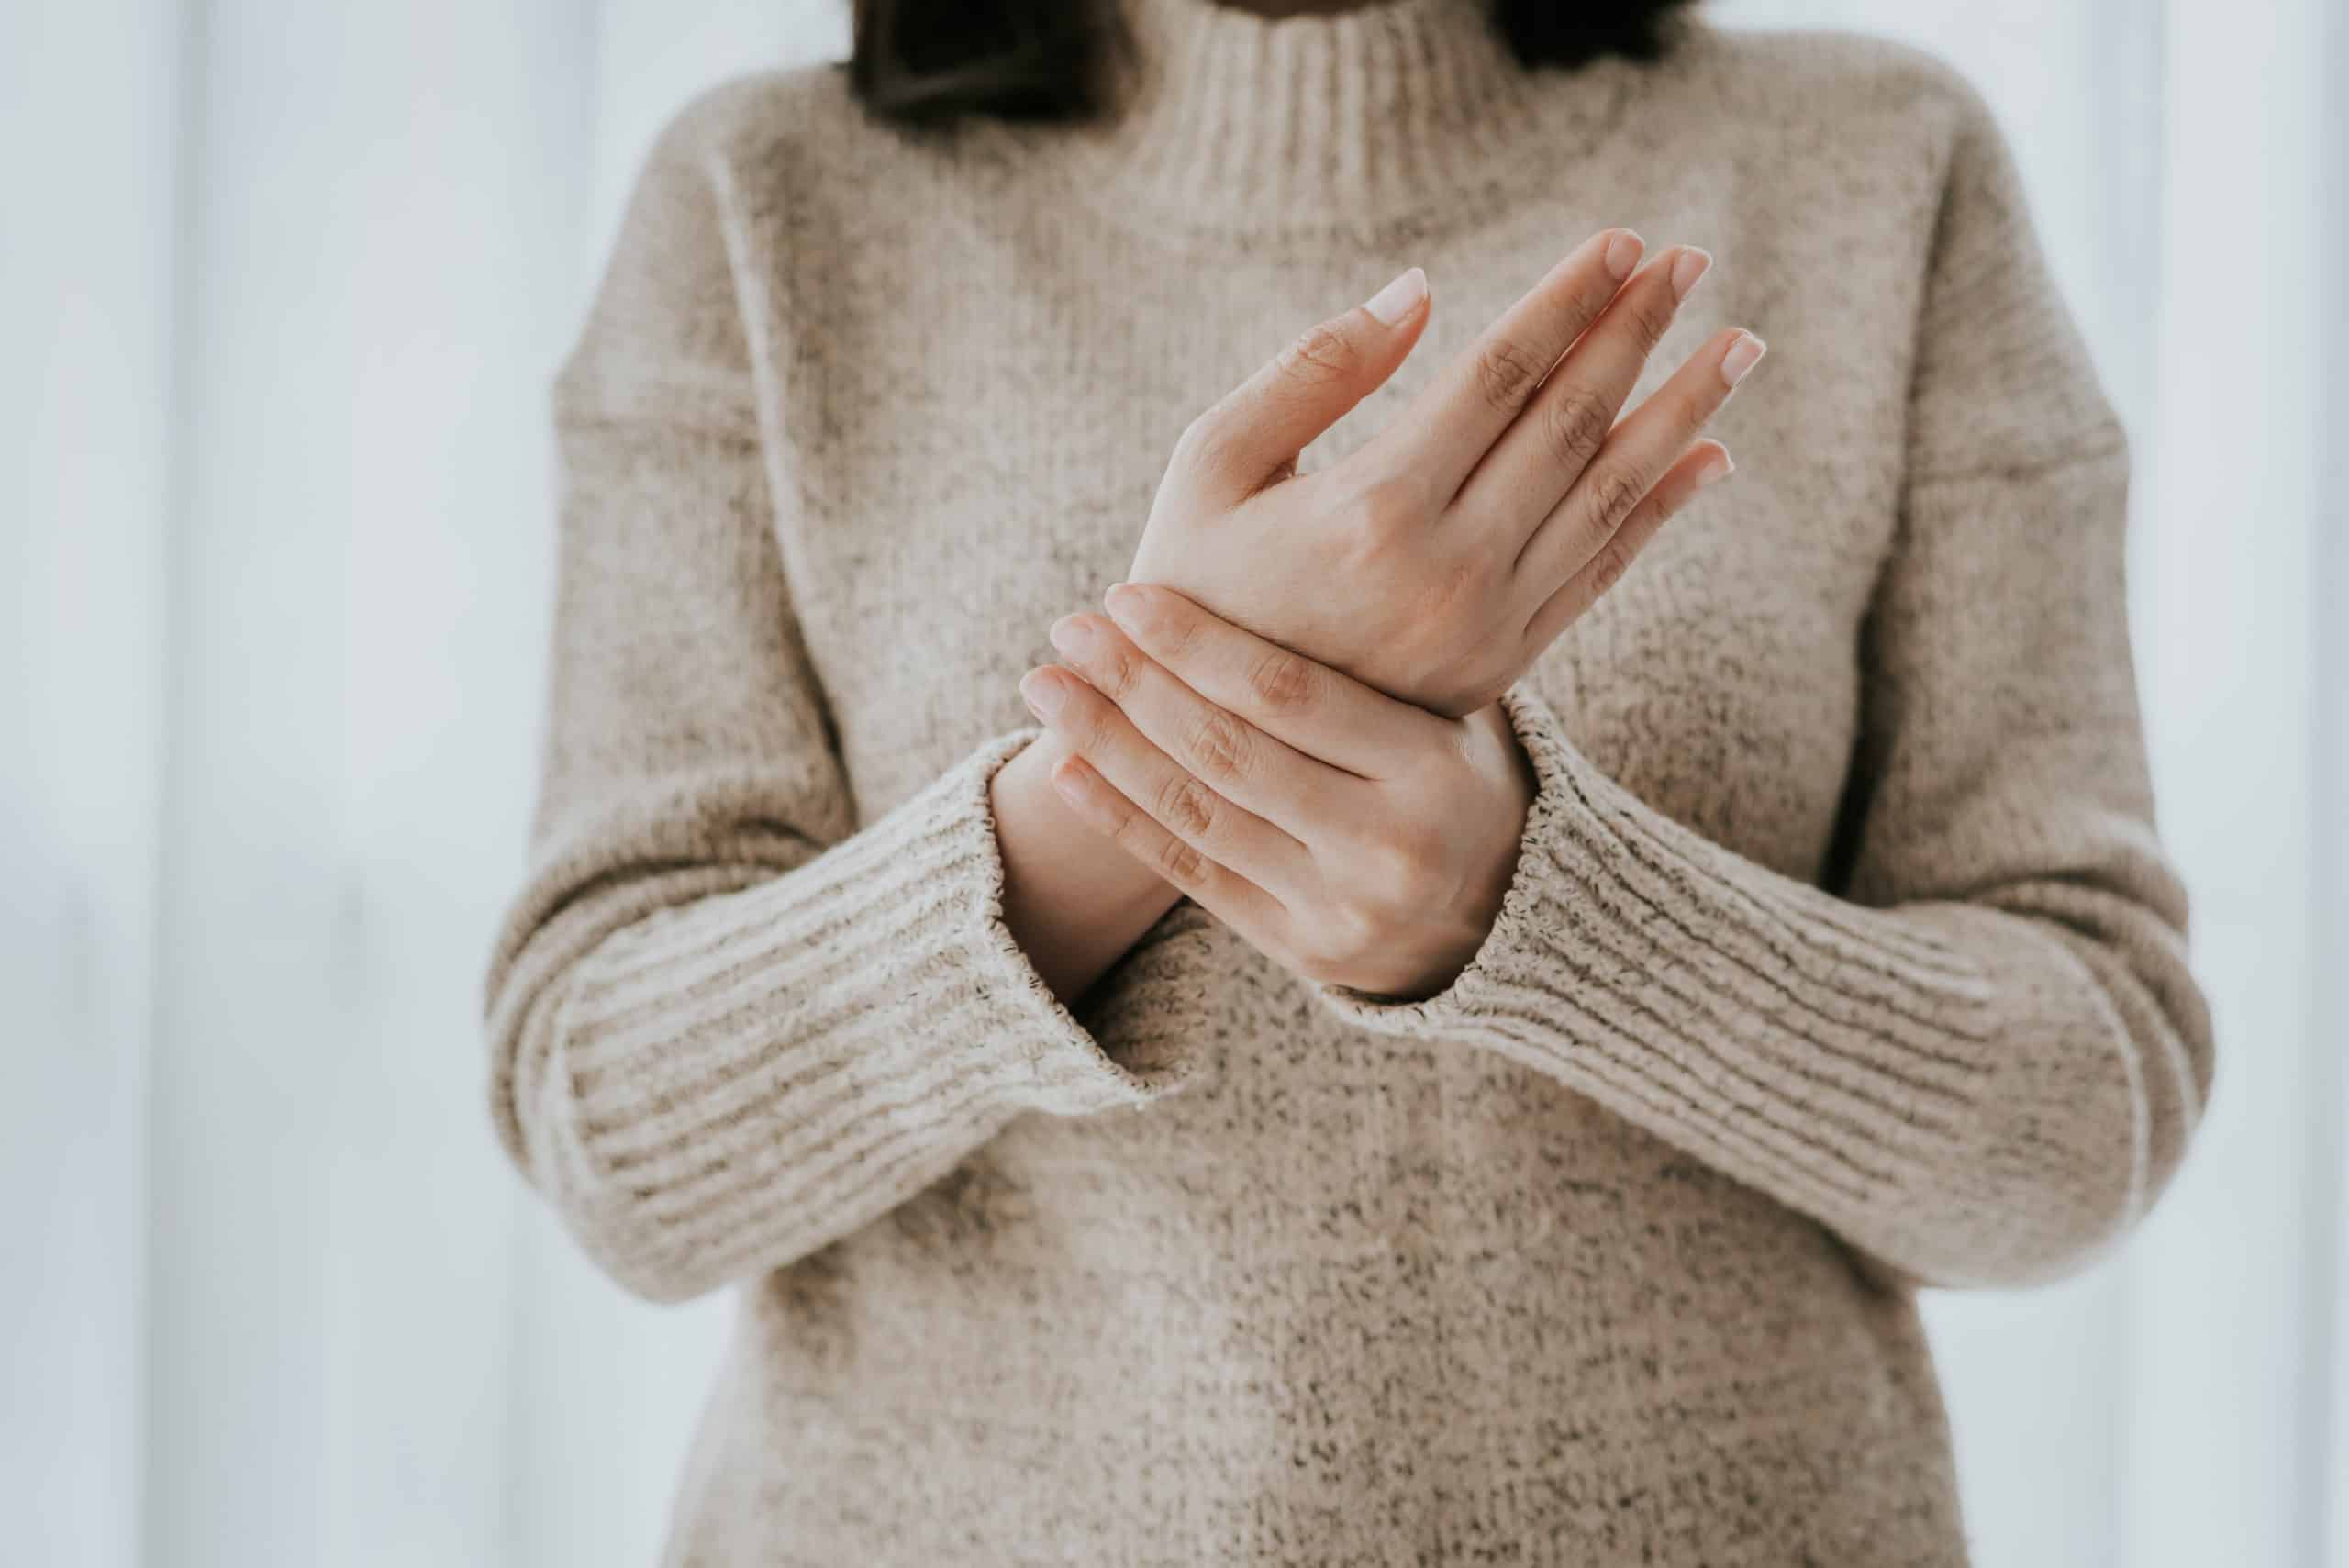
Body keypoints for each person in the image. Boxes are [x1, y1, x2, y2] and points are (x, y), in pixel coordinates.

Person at [480, 0, 2218, 1561]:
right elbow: (614, 1138)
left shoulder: (1879, 166)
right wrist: (1144, 780)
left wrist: (1526, 902)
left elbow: (2085, 1120)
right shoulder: (764, 200)